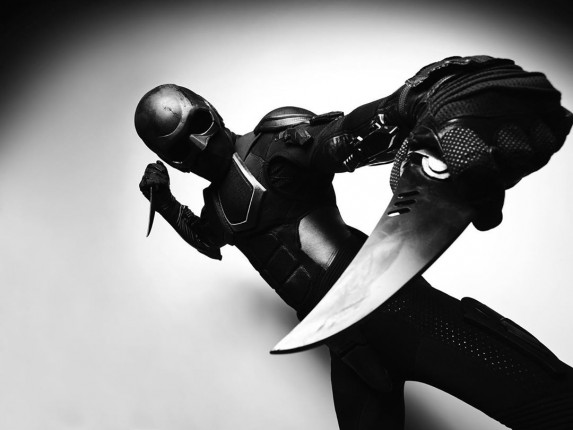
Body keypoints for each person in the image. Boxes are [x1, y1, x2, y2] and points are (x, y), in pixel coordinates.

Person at [135, 55, 573, 429]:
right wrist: (167, 204)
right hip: (343, 344)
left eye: (199, 125)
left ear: (210, 110)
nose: (201, 145)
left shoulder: (274, 147)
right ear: (174, 161)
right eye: (182, 147)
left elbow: (346, 139)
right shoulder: (215, 207)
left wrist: (414, 103)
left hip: (394, 304)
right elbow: (208, 241)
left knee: (548, 401)